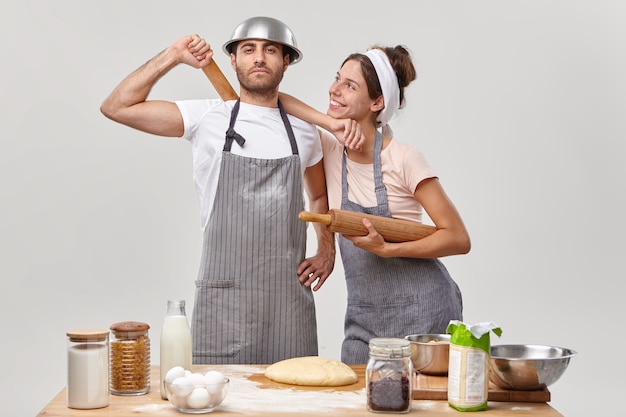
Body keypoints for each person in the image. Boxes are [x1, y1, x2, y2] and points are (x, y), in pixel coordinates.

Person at [100, 16, 338, 364]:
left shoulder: (304, 130)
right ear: (233, 60)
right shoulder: (207, 117)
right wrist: (173, 55)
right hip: (224, 303)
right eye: (248, 50)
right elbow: (116, 106)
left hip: (288, 301)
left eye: (270, 50)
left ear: (285, 61)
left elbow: (318, 198)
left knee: (293, 401)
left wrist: (326, 250)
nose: (259, 58)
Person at [279, 45, 471, 364]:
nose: (334, 89)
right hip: (364, 320)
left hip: (424, 315)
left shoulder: (403, 158)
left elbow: (457, 237)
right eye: (337, 78)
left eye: (350, 86)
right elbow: (275, 99)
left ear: (377, 103)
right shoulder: (327, 146)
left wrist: (388, 249)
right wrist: (331, 124)